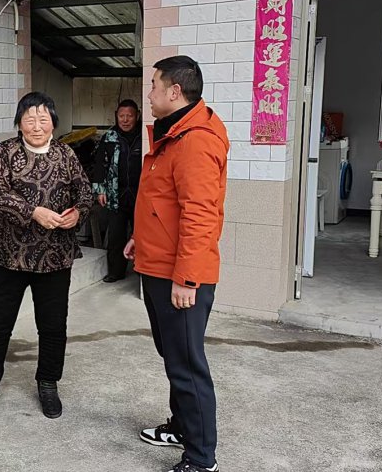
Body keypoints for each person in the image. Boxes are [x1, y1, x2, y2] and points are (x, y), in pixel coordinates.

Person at [124, 56, 229, 472]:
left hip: (180, 276)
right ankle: (183, 427)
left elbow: (200, 216)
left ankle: (202, 459)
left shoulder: (195, 141)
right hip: (159, 265)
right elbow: (164, 203)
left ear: (174, 91)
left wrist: (187, 278)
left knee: (186, 364)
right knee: (174, 356)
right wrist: (141, 238)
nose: (148, 94)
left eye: (153, 85)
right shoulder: (174, 133)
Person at [0, 92, 94, 419]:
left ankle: (48, 384)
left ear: (53, 122)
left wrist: (78, 213)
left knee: (52, 325)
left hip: (55, 255)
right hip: (8, 254)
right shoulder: (4, 152)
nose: (37, 126)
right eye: (29, 119)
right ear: (19, 122)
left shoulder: (66, 154)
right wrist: (34, 211)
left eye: (43, 119)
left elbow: (85, 192)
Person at [92, 99, 143, 283]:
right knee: (116, 235)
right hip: (116, 194)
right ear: (116, 116)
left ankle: (142, 271)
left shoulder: (144, 136)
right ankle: (115, 272)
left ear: (137, 116)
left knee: (143, 234)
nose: (125, 120)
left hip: (140, 194)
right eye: (122, 116)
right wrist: (100, 190)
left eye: (130, 116)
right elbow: (100, 165)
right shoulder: (109, 137)